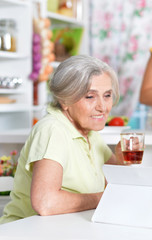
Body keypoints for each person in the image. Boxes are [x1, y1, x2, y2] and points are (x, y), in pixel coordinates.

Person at [0, 55, 125, 224]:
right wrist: (101, 198)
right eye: (90, 96)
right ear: (65, 100)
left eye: (107, 95)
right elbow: (46, 202)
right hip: (26, 232)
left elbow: (119, 185)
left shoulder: (90, 133)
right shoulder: (52, 129)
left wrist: (124, 162)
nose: (102, 107)